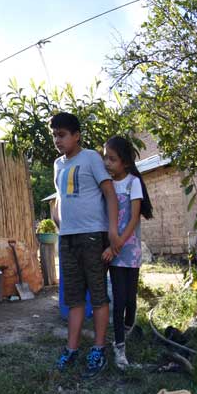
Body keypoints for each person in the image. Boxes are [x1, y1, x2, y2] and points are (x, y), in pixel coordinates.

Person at [50, 113, 120, 378]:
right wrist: (58, 220)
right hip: (67, 238)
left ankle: (99, 348)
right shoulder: (58, 164)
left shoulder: (90, 157)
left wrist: (112, 231)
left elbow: (109, 193)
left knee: (98, 295)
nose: (58, 139)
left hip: (92, 236)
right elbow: (59, 197)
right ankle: (72, 348)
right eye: (55, 134)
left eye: (63, 134)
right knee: (75, 297)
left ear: (76, 135)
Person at [102, 136, 153, 369]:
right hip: (114, 252)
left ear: (124, 162)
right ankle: (119, 346)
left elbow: (133, 219)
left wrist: (117, 245)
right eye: (105, 158)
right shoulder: (107, 184)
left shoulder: (133, 183)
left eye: (111, 159)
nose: (107, 163)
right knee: (119, 301)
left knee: (131, 301)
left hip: (129, 250)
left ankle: (128, 328)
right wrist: (111, 247)